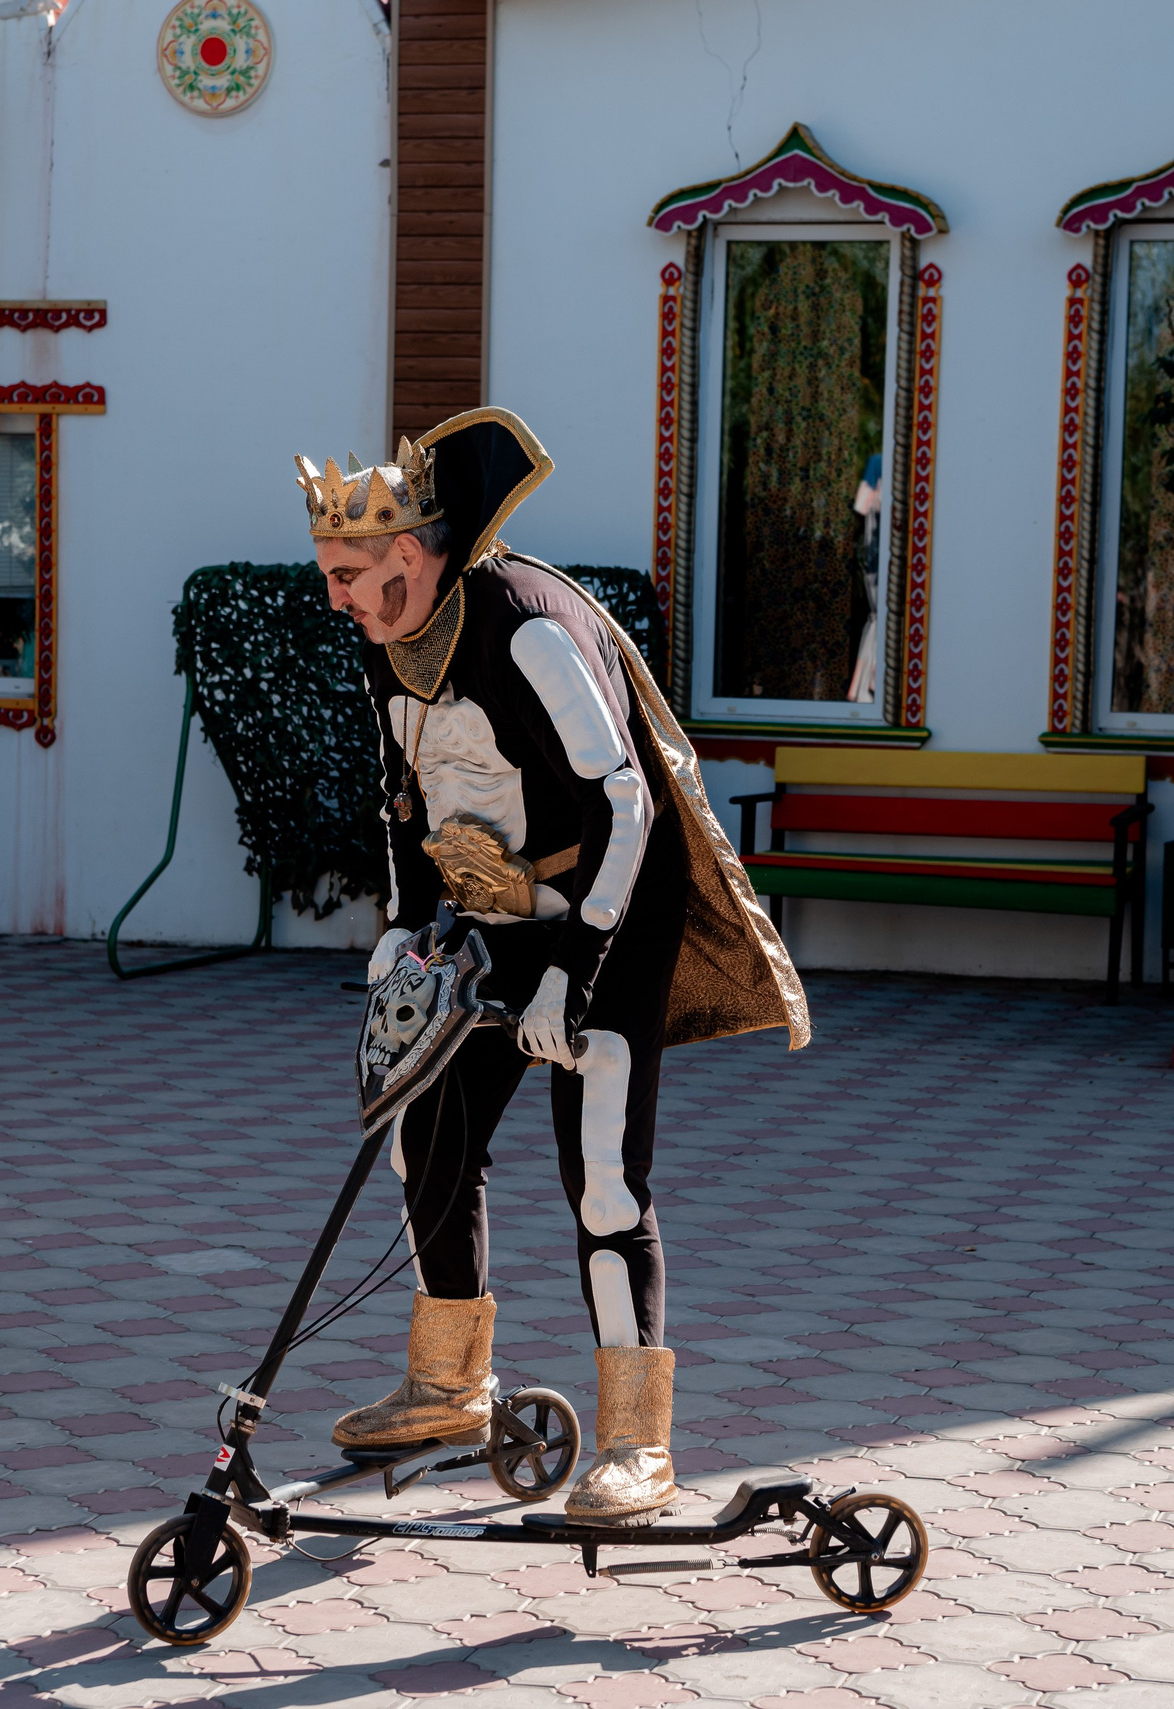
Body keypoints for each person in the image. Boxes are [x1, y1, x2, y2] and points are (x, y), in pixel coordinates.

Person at [297, 407, 806, 1525]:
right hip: (492, 913)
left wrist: (573, 971)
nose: (335, 596)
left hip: (608, 913)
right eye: (330, 573)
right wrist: (404, 925)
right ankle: (449, 1385)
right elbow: (404, 798)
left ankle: (636, 1442)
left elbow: (625, 802)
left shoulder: (526, 630)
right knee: (425, 1130)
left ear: (410, 555)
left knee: (603, 1174)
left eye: (348, 574)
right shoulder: (388, 637)